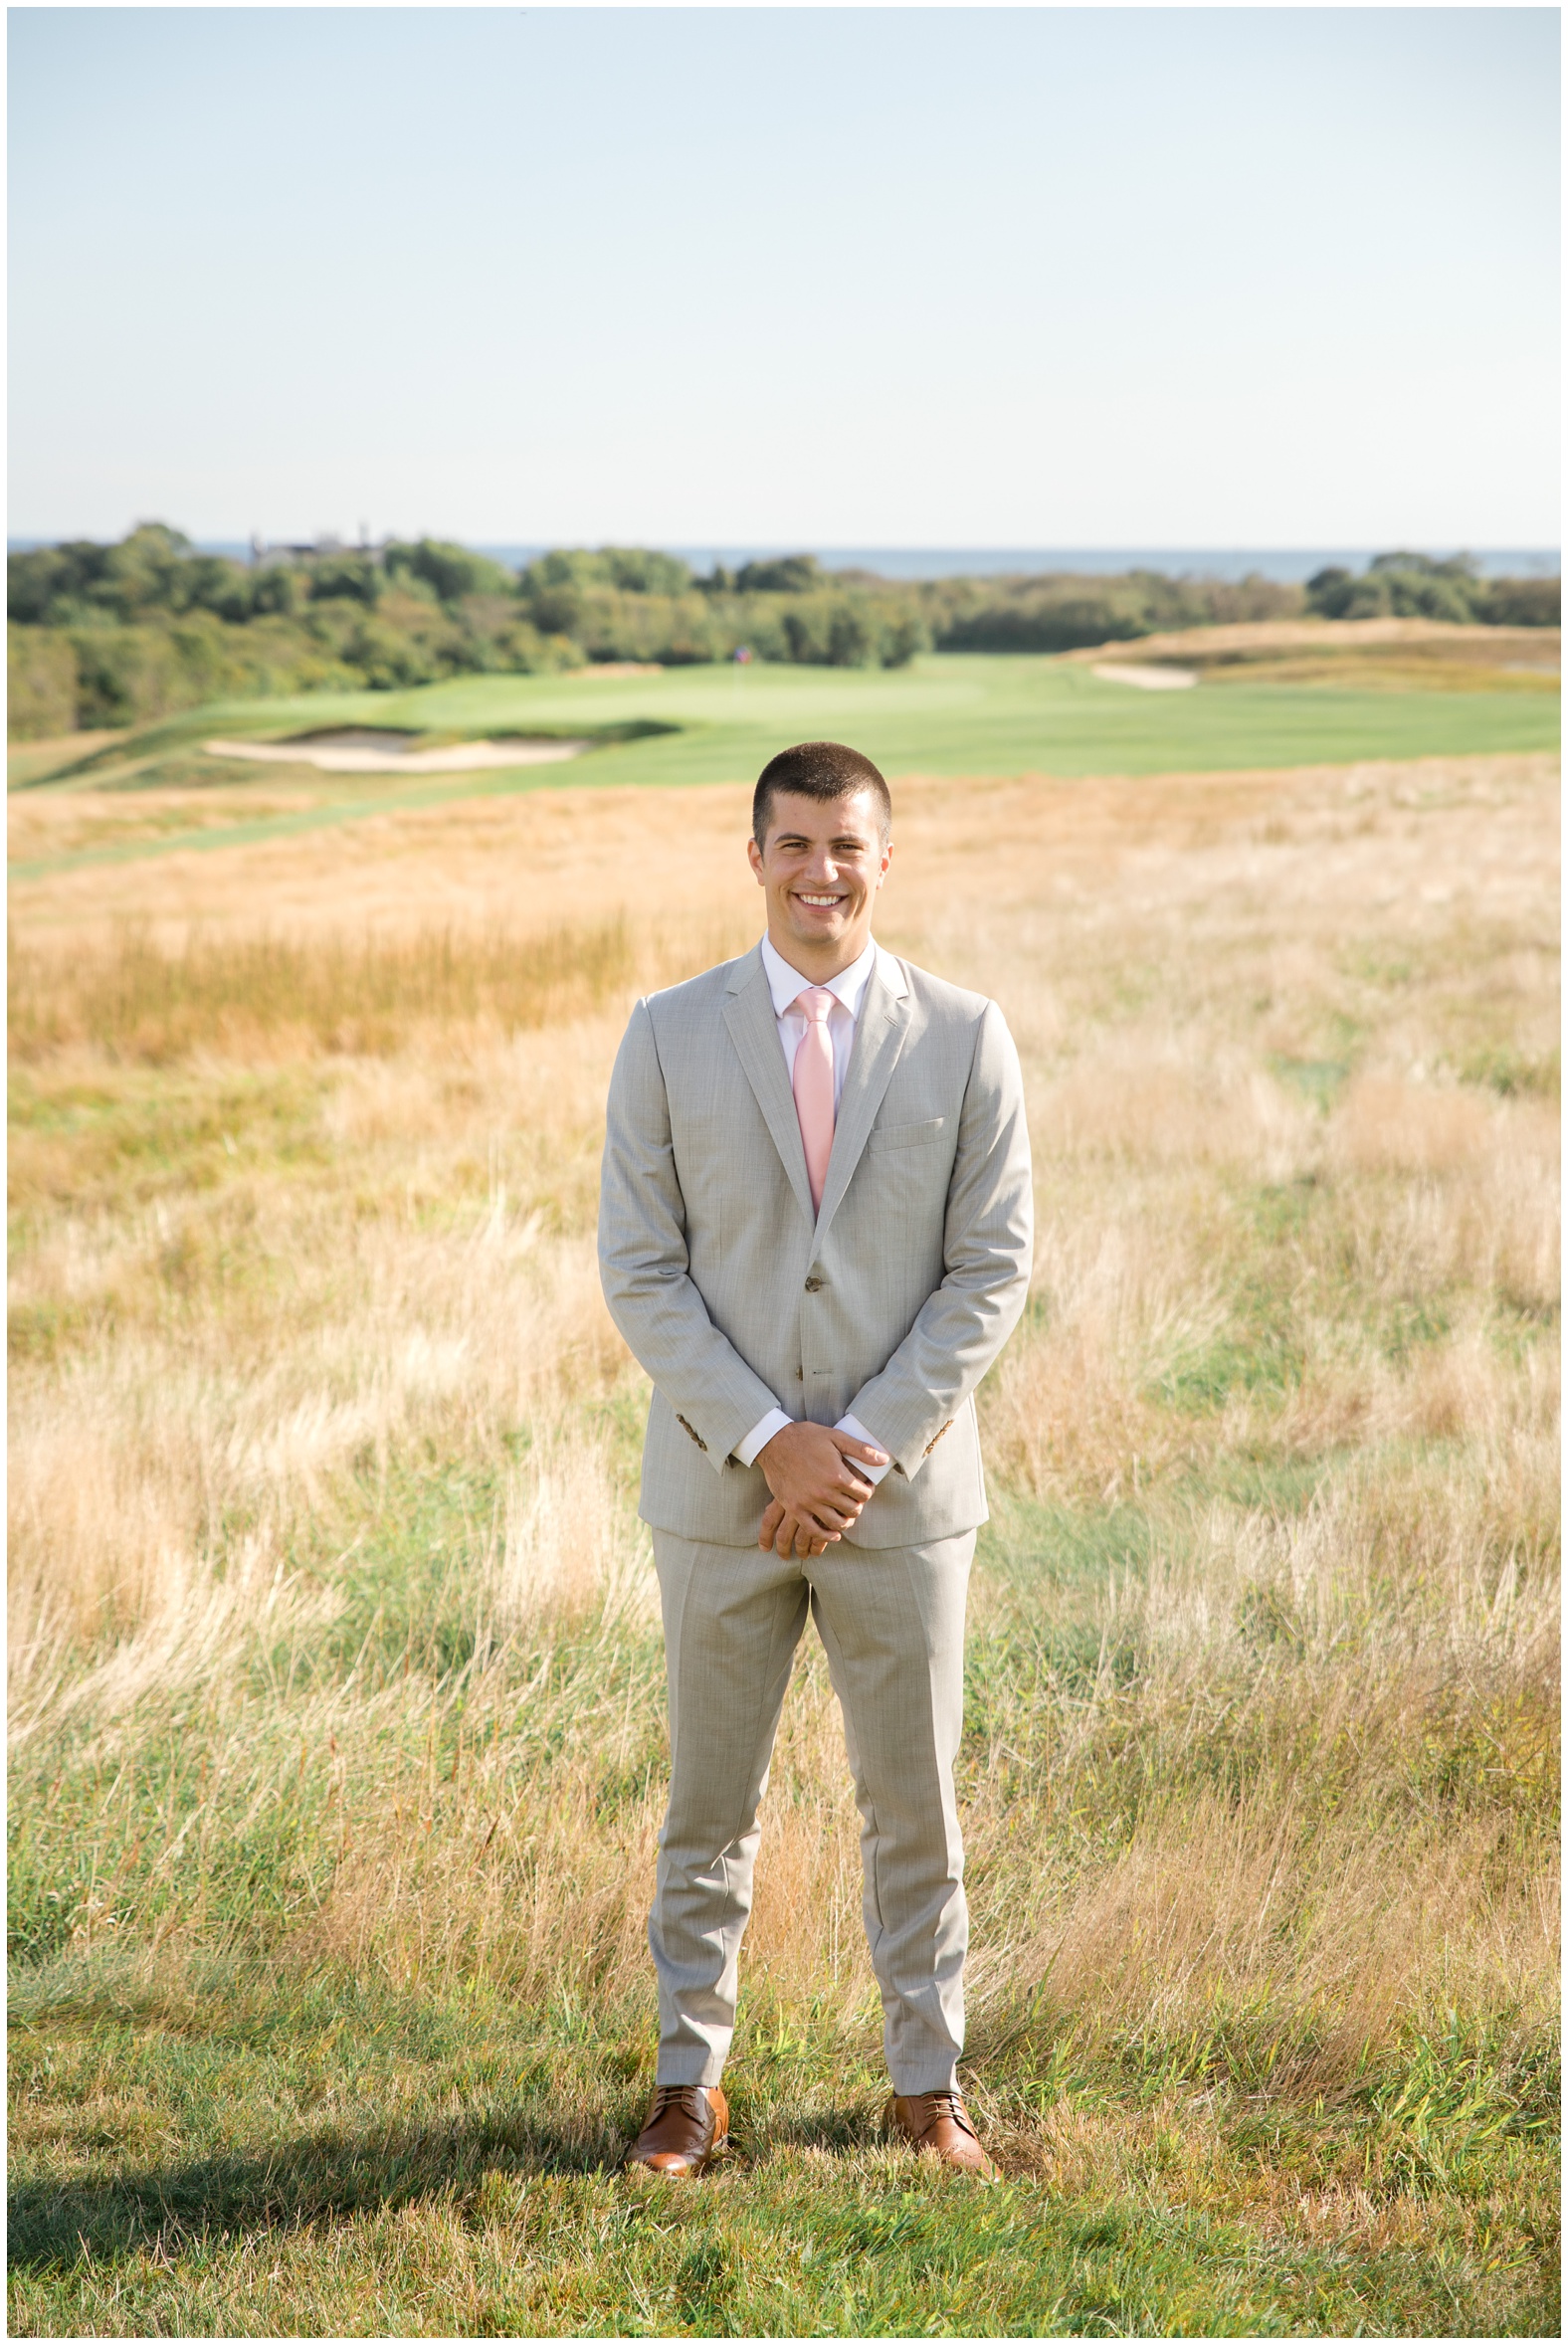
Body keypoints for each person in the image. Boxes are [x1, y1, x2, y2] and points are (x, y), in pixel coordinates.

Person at [598, 739, 1033, 2181]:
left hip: (900, 1502)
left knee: (916, 1805)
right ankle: (685, 2082)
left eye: (847, 846)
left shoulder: (968, 1034)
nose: (821, 872)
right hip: (720, 1494)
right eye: (794, 844)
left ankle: (928, 2085)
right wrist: (771, 1440)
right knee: (708, 1807)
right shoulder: (666, 1031)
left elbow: (991, 1268)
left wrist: (854, 1450)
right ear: (755, 857)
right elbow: (643, 1269)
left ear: (885, 860)